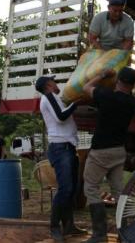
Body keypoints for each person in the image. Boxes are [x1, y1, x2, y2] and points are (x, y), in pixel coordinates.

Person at [82, 67, 135, 243]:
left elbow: (86, 87)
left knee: (90, 187)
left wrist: (102, 75)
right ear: (133, 84)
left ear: (118, 80)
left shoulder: (106, 96)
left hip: (101, 151)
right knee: (119, 191)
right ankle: (124, 234)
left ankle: (100, 234)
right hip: (118, 152)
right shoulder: (132, 102)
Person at [35, 75, 87, 242]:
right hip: (61, 149)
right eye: (54, 81)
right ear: (49, 84)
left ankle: (69, 225)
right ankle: (54, 227)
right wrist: (77, 103)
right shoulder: (48, 97)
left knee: (71, 189)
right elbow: (61, 116)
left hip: (67, 147)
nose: (56, 84)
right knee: (65, 189)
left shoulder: (54, 98)